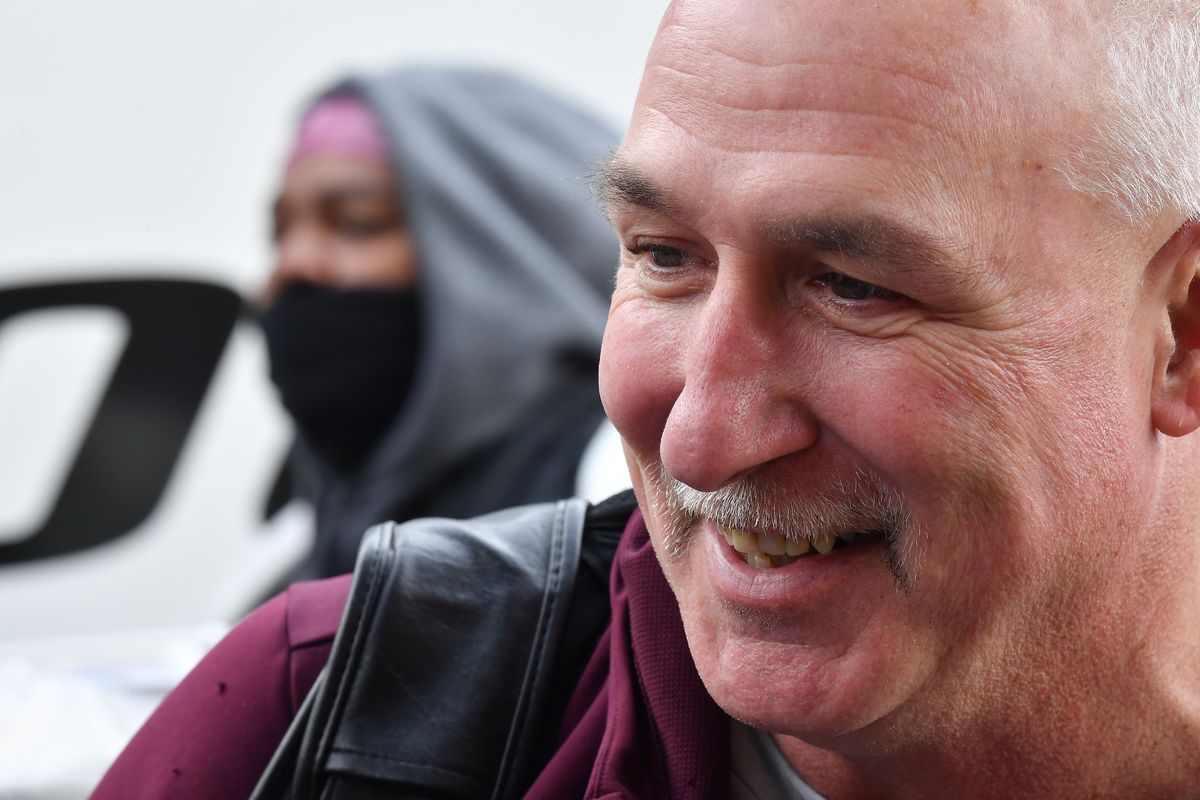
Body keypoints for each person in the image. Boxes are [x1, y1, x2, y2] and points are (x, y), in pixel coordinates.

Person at [94, 0, 1200, 797]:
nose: (701, 437)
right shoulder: (321, 708)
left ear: (1180, 337)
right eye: (664, 256)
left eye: (853, 287)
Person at [258, 66, 622, 577]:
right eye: (280, 231)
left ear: (504, 255)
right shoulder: (292, 557)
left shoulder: (618, 502)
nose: (292, 266)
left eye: (357, 222)